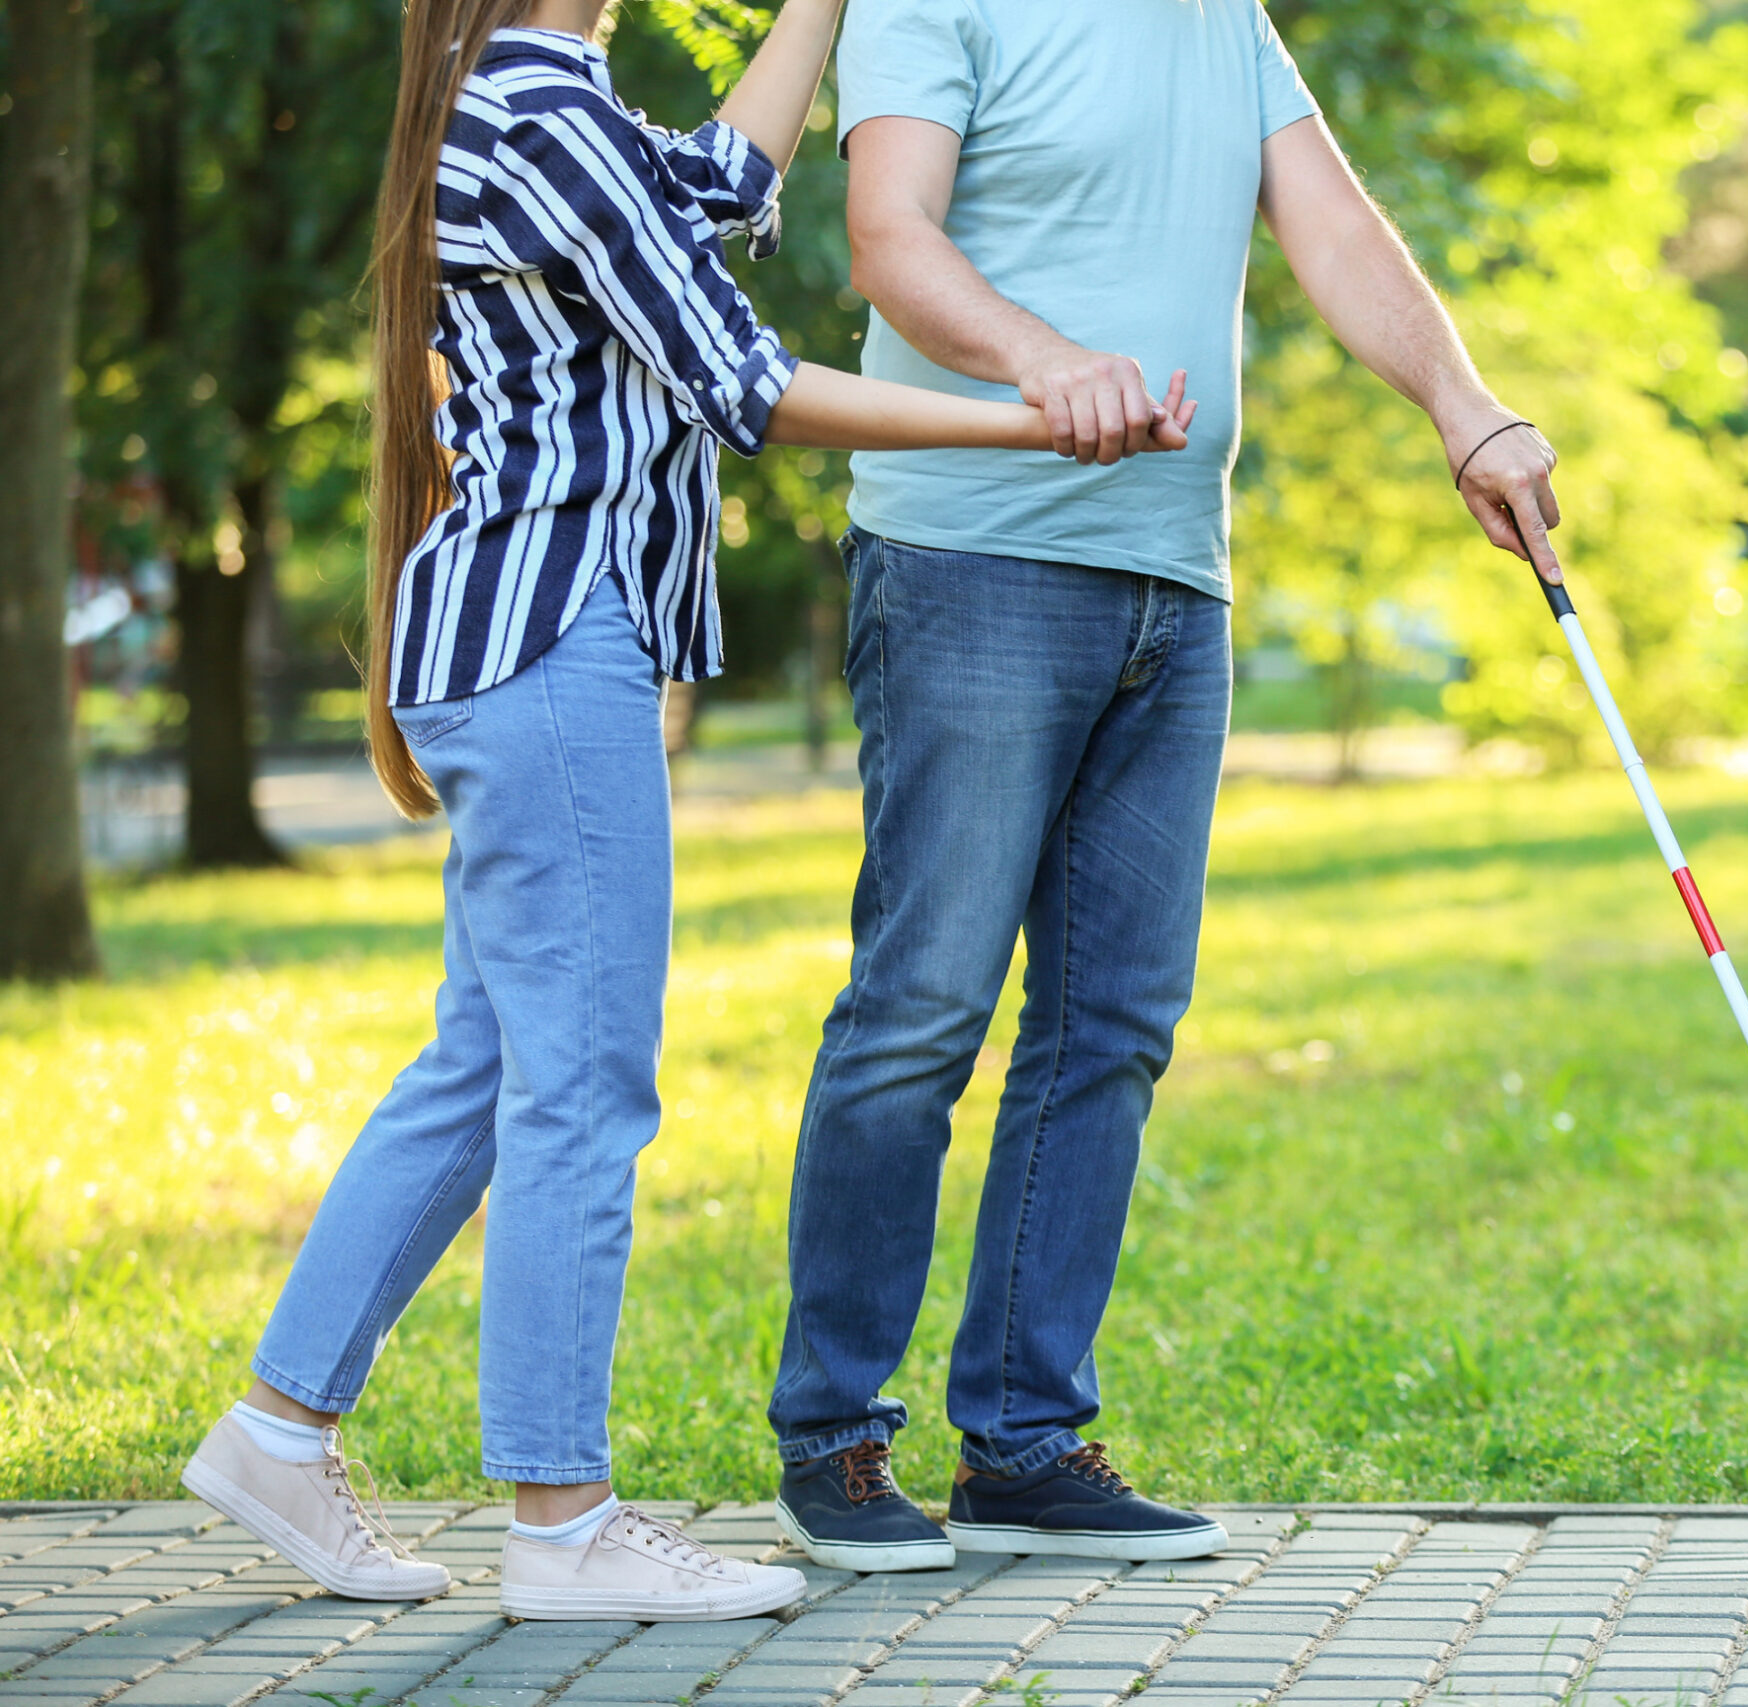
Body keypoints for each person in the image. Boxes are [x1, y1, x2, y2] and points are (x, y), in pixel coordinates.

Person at [178, 0, 1193, 1622]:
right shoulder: (536, 110)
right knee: (579, 1091)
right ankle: (561, 1523)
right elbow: (745, 382)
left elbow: (717, 185)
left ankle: (276, 1431)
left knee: (487, 1064)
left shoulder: (541, 107)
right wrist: (1033, 417)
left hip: (516, 641)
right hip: (553, 642)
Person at [767, 0, 1564, 1572]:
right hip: (970, 559)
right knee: (924, 1003)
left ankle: (1024, 1441)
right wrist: (1045, 361)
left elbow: (1335, 229)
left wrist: (1464, 405)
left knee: (1114, 1024)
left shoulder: (1221, 15)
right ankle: (836, 1440)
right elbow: (888, 239)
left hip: (1170, 578)